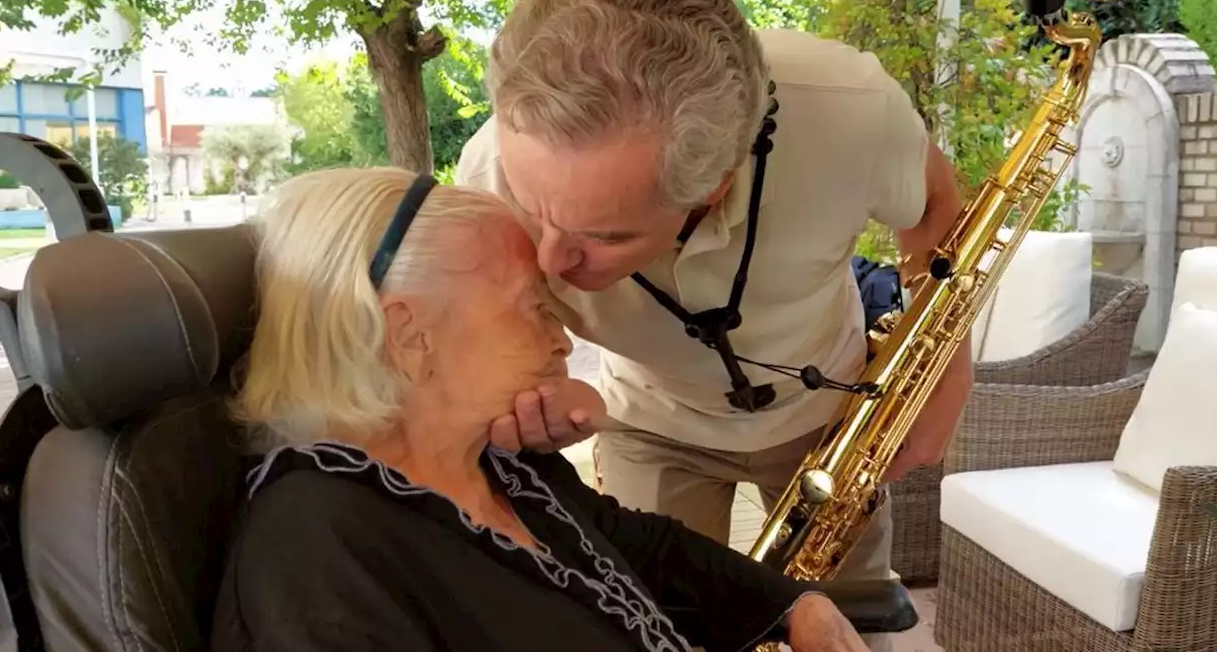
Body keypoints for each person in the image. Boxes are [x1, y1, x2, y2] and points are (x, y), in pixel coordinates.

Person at [454, 0, 975, 651]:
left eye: (601, 234)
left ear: (714, 185)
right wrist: (529, 394)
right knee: (652, 627)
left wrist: (944, 372)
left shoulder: (850, 109)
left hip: (829, 415)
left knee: (857, 627)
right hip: (649, 418)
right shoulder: (489, 170)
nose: (550, 262)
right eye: (533, 209)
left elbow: (937, 206)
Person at [210, 166, 873, 652]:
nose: (563, 338)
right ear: (410, 336)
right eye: (532, 307)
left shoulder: (501, 467)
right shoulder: (318, 547)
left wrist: (795, 604)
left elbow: (644, 548)